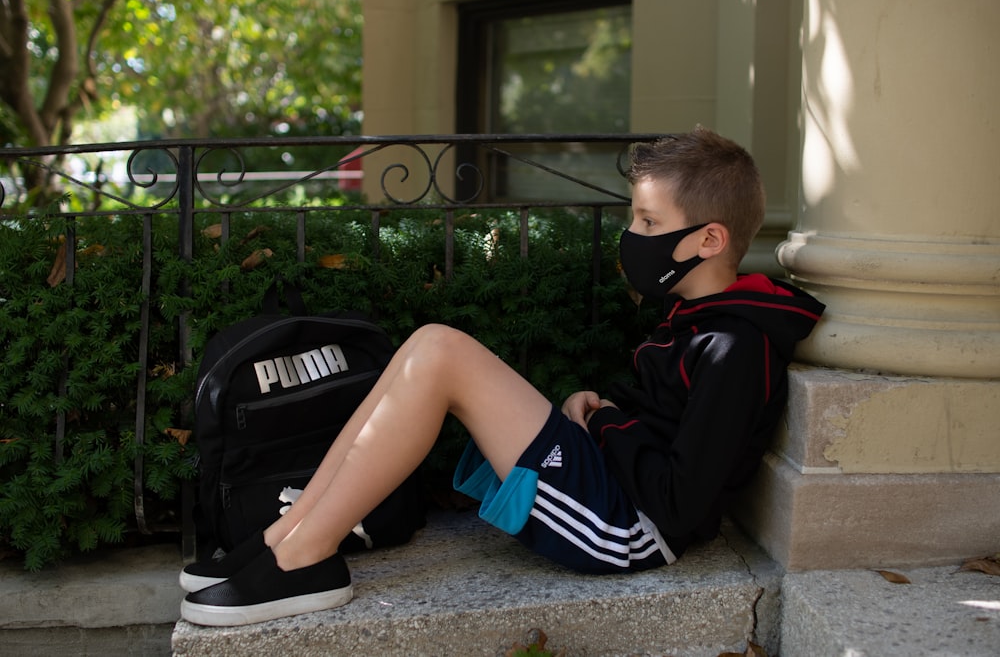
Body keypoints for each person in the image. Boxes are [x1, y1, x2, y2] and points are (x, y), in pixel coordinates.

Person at [179, 127, 825, 627]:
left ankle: (304, 561)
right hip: (607, 479)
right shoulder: (697, 313)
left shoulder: (735, 345)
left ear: (709, 239)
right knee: (429, 346)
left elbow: (681, 502)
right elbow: (658, 418)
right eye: (635, 217)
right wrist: (598, 409)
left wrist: (604, 421)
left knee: (441, 356)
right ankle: (286, 538)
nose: (633, 235)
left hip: (627, 528)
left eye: (649, 223)